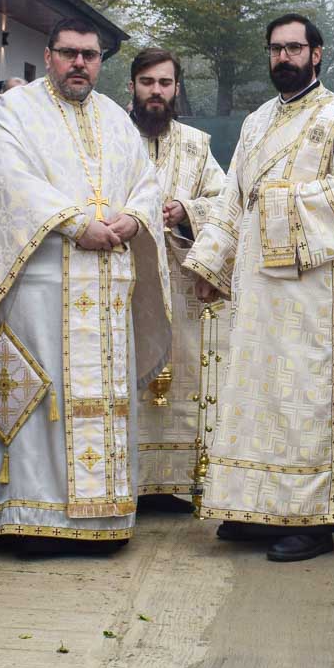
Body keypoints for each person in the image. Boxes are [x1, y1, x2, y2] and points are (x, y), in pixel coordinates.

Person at [0, 18, 171, 551]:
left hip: (105, 288)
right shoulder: (16, 110)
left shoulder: (115, 119)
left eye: (91, 55)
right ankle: (30, 517)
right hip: (40, 283)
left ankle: (103, 517)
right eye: (70, 53)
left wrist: (135, 218)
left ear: (101, 62)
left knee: (101, 396)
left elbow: (145, 181)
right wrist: (77, 222)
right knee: (37, 398)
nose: (80, 64)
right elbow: (9, 180)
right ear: (49, 55)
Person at [183, 13, 334, 563]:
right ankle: (255, 507)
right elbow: (233, 197)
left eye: (294, 48)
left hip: (311, 293)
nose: (283, 58)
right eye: (275, 49)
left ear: (316, 54)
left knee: (302, 403)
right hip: (255, 291)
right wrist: (209, 263)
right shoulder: (254, 122)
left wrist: (281, 205)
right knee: (254, 400)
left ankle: (311, 518)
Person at [128, 48, 227, 510]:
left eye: (165, 84)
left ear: (176, 88)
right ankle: (127, 477)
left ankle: (174, 483)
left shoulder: (196, 144)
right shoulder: (113, 134)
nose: (156, 92)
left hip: (181, 277)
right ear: (132, 85)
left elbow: (226, 202)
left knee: (184, 376)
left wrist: (188, 210)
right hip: (127, 278)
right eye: (147, 82)